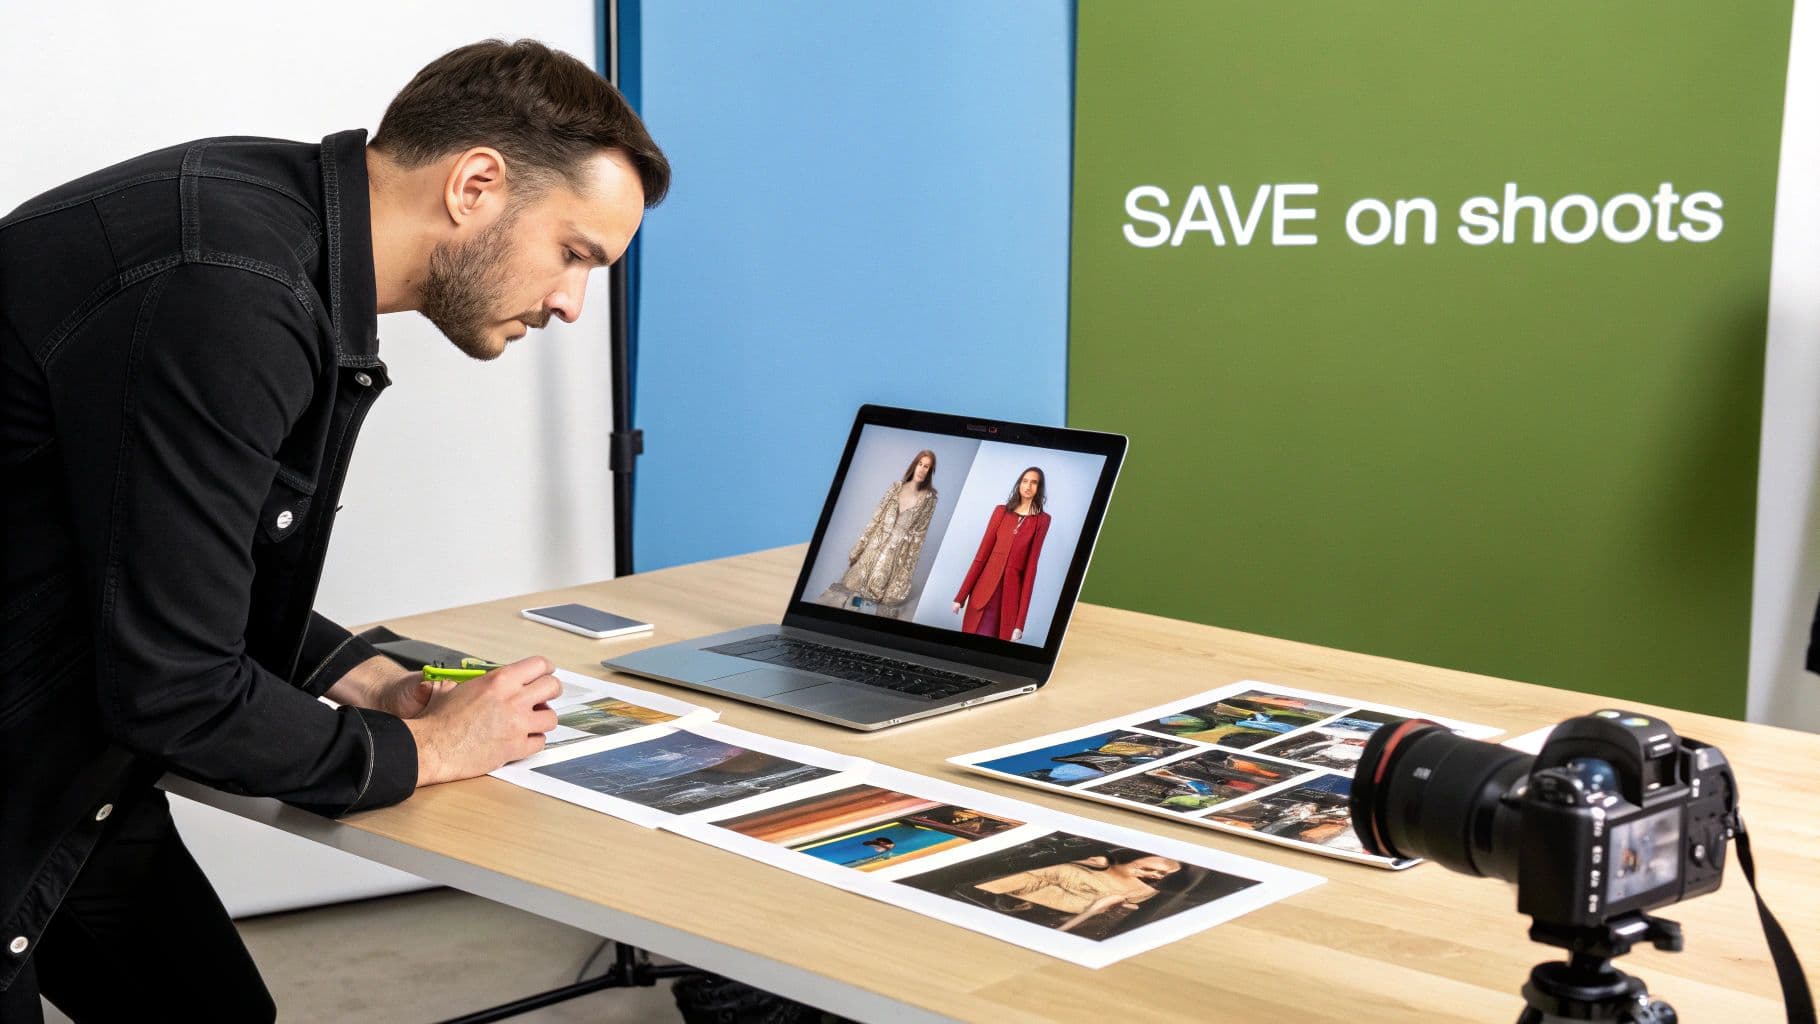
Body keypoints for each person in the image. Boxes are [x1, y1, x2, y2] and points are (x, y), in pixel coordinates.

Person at [0, 39, 669, 1020]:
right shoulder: (230, 291)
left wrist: (362, 675)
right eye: (575, 254)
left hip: (50, 732)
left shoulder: (259, 217)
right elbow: (177, 687)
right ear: (475, 184)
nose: (573, 304)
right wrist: (435, 751)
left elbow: (154, 558)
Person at [816, 450, 939, 618]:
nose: (922, 469)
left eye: (927, 467)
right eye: (920, 464)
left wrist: (904, 575)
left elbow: (919, 538)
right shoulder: (896, 487)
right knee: (845, 590)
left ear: (930, 472)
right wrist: (859, 548)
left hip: (894, 555)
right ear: (914, 465)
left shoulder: (929, 499)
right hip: (874, 546)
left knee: (873, 601)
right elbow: (875, 519)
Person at [951, 467, 1051, 642]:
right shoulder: (1001, 512)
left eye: (1034, 482)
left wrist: (1020, 623)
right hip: (982, 594)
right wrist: (961, 597)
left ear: (1039, 488)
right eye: (1025, 481)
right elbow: (981, 556)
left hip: (1008, 600)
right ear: (1019, 484)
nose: (1028, 486)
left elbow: (1030, 572)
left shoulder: (1042, 520)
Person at [972, 850, 1180, 934]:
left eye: (1162, 873)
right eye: (1146, 868)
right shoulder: (1072, 870)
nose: (1155, 875)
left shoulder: (1143, 892)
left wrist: (1096, 910)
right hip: (1004, 906)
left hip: (1059, 920)